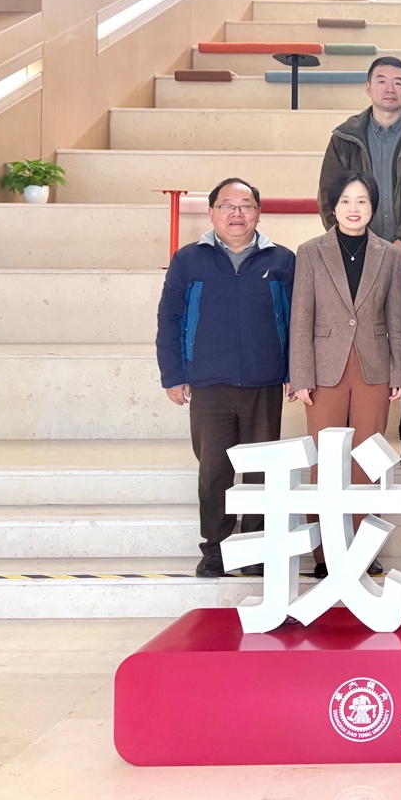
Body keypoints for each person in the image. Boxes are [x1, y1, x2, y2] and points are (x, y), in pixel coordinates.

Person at [156, 178, 294, 578]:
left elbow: (298, 321)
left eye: (246, 206)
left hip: (264, 382)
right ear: (212, 212)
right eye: (227, 206)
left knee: (260, 471)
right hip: (208, 383)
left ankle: (253, 548)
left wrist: (293, 371)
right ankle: (215, 548)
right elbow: (169, 318)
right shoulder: (188, 260)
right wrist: (173, 374)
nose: (237, 213)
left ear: (258, 213)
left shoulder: (282, 260)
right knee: (214, 470)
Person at [318, 55, 401, 471]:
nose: (390, 88)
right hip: (358, 258)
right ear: (368, 88)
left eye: (398, 81)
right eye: (382, 80)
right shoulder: (344, 138)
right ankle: (350, 433)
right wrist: (356, 246)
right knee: (363, 336)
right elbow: (329, 198)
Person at [289, 171, 401, 579]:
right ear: (333, 206)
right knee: (325, 460)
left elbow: (397, 317)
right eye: (345, 201)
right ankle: (325, 553)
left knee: (368, 459)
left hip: (375, 366)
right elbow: (301, 318)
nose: (353, 209)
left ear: (373, 207)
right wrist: (300, 374)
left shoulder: (388, 254)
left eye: (362, 201)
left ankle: (362, 550)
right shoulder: (311, 252)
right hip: (324, 368)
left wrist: (399, 370)